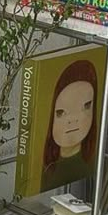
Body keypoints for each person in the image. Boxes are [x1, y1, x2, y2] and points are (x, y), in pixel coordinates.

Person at [42, 59, 99, 192]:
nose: (73, 121)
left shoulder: (86, 168)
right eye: (61, 113)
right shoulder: (46, 167)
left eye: (85, 107)